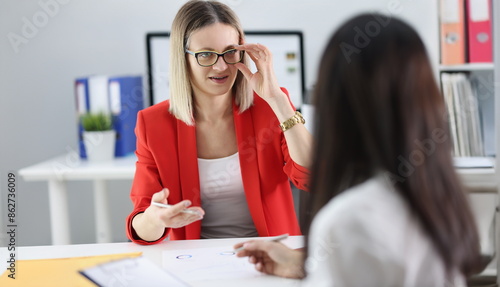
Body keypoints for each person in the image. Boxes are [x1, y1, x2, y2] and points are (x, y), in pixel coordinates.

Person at [235, 14, 481, 286]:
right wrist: (304, 263)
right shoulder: (438, 200)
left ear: (334, 103)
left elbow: (312, 175)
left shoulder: (349, 220)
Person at [126, 0, 312, 244]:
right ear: (183, 59)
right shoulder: (153, 123)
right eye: (206, 54)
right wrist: (155, 220)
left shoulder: (270, 108)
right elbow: (141, 223)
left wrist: (278, 99)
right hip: (196, 261)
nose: (221, 65)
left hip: (271, 255)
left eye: (230, 52)